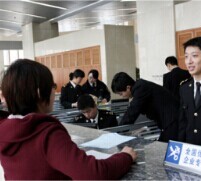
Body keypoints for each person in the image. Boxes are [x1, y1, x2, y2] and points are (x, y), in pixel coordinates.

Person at [0, 59, 137, 180]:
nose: (55, 91)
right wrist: (125, 157)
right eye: (53, 86)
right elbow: (92, 174)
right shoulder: (45, 132)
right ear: (40, 93)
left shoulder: (6, 130)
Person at [111, 72, 179, 142]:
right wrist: (145, 128)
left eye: (121, 93)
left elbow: (132, 112)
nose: (122, 97)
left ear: (128, 87)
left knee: (165, 147)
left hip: (172, 121)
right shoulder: (140, 86)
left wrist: (119, 132)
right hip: (169, 121)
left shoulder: (140, 88)